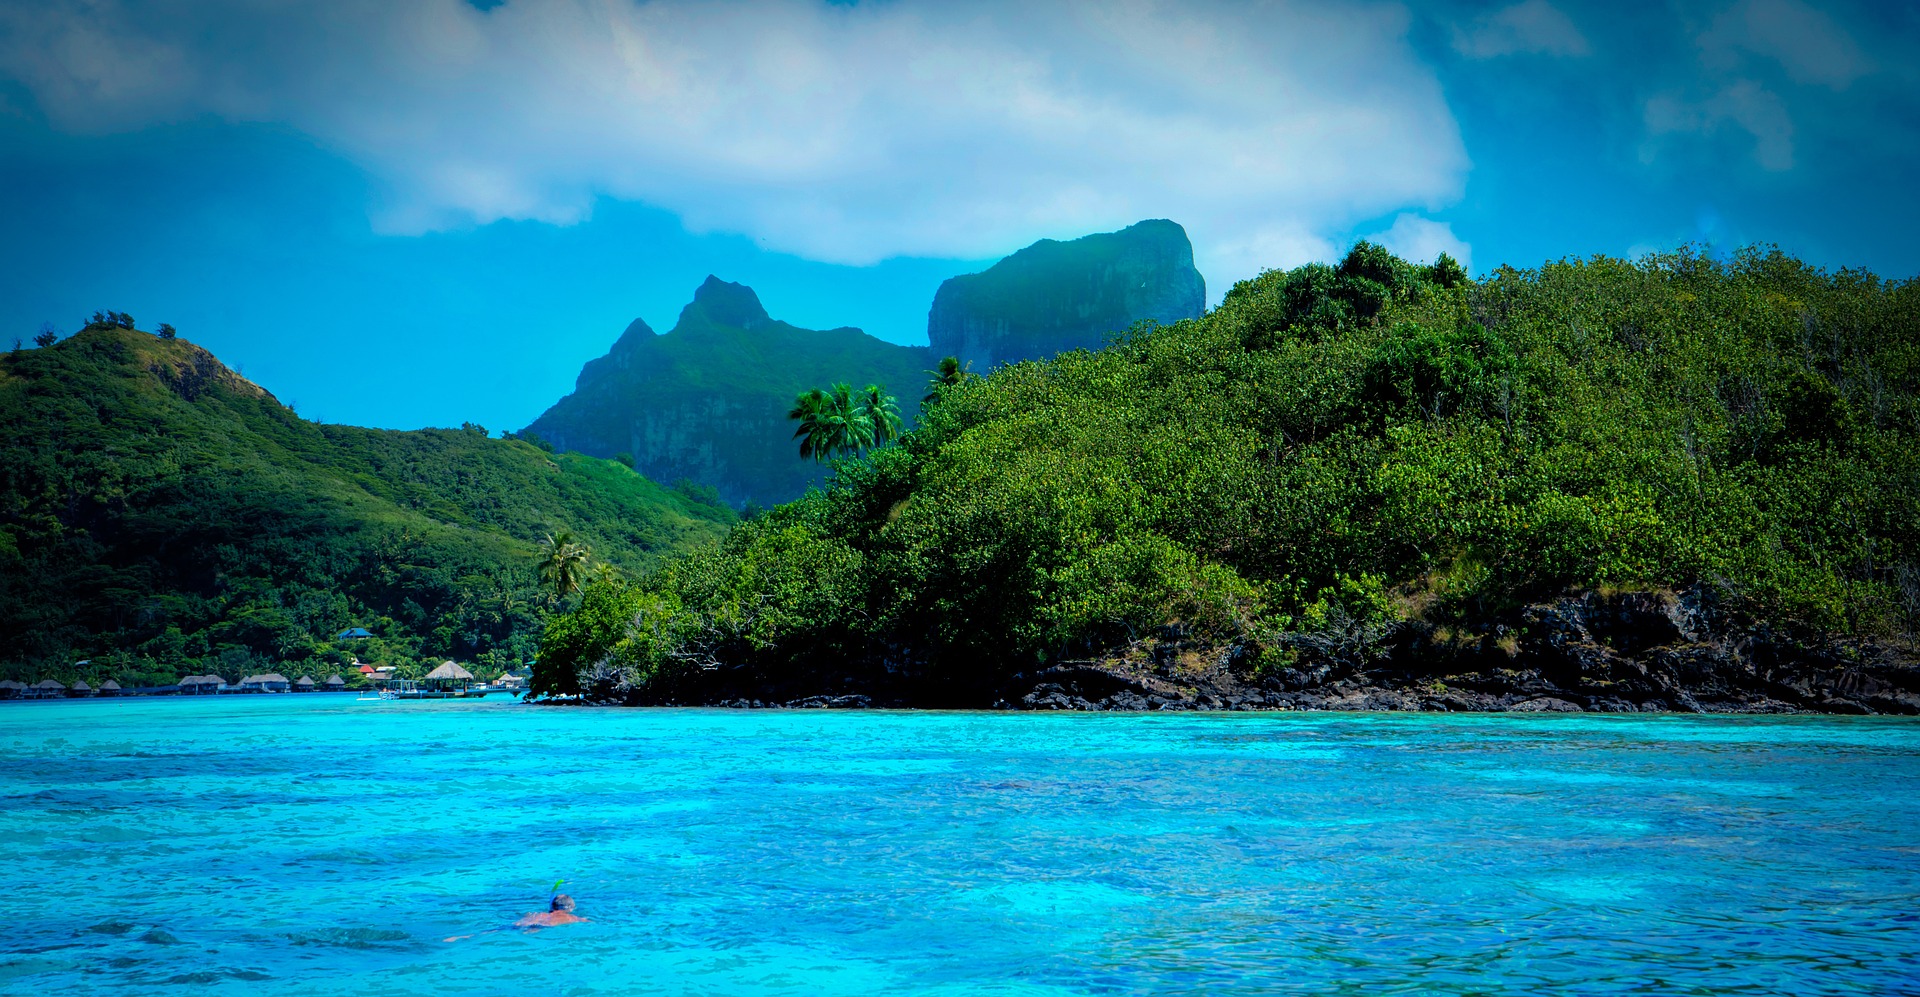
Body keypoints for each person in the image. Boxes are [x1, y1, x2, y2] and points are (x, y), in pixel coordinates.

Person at [514, 894, 587, 930]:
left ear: (552, 906)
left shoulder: (541, 914)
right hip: (545, 926)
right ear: (571, 908)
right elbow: (589, 922)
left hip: (528, 924)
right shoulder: (572, 918)